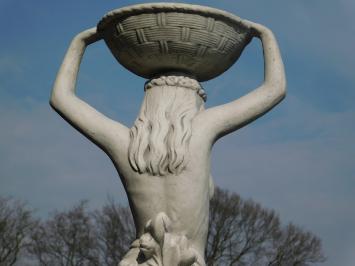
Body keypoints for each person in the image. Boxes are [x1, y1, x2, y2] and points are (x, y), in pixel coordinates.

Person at [50, 19, 286, 266]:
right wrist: (265, 35)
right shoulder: (202, 129)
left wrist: (79, 43)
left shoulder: (126, 144)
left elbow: (61, 98)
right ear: (191, 102)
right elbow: (274, 89)